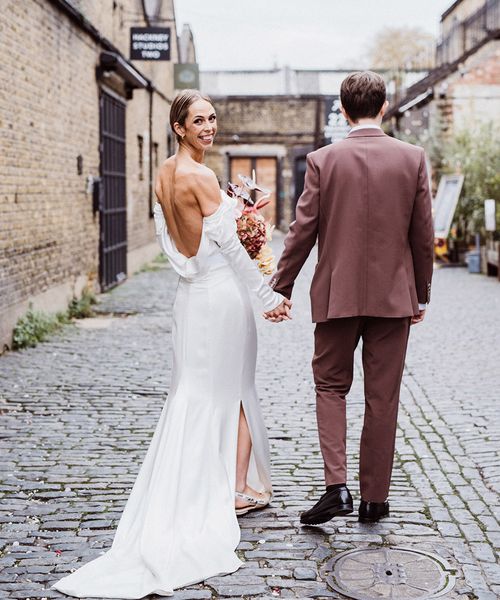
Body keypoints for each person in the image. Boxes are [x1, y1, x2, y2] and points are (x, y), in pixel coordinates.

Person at [52, 89, 291, 598]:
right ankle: (232, 490)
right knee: (236, 390)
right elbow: (229, 250)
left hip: (190, 298)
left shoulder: (164, 173)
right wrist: (269, 297)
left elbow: (175, 245)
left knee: (195, 391)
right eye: (198, 120)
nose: (209, 126)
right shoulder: (202, 177)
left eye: (212, 117)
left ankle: (212, 483)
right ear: (178, 127)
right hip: (222, 298)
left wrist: (205, 256)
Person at [267, 71, 434, 525]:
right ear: (384, 107)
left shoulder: (323, 160)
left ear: (342, 110)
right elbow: (423, 235)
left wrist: (280, 286)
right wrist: (420, 294)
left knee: (330, 386)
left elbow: (302, 231)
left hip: (337, 296)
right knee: (383, 398)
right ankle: (374, 500)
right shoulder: (412, 158)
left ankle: (336, 487)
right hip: (393, 300)